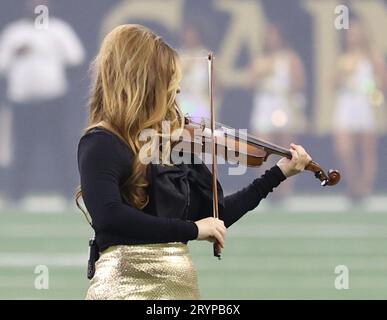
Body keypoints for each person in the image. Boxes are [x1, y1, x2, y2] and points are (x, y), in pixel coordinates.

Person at [76, 24, 312, 300]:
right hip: (124, 289)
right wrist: (193, 229)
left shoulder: (171, 143)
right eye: (170, 88)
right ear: (144, 84)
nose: (175, 99)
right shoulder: (101, 142)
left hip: (180, 290)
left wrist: (278, 173)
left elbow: (216, 215)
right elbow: (110, 217)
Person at [0, 0, 85, 202]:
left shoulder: (58, 30)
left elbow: (76, 58)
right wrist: (16, 52)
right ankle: (16, 195)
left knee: (59, 147)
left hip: (52, 100)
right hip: (22, 102)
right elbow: (2, 65)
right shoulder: (15, 33)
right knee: (22, 148)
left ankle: (69, 193)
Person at [249, 24, 306, 200]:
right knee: (260, 148)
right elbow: (250, 81)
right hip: (264, 104)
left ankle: (285, 192)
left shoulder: (290, 58)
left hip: (283, 103)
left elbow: (299, 83)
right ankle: (263, 188)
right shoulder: (260, 59)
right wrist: (261, 73)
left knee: (286, 149)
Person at [332, 19, 386, 204]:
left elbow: (382, 84)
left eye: (357, 33)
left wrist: (369, 87)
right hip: (347, 105)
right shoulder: (343, 58)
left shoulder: (373, 57)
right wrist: (343, 75)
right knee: (345, 149)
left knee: (366, 149)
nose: (353, 37)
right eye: (351, 33)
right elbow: (332, 83)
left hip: (365, 105)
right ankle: (353, 184)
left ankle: (365, 188)